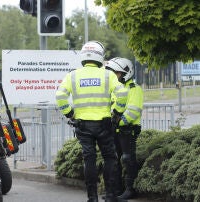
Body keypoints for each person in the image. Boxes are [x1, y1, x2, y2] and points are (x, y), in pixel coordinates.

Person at [56, 41, 128, 202]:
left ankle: (92, 197)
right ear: (100, 56)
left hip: (82, 125)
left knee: (89, 159)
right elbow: (122, 93)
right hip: (104, 124)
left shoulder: (73, 75)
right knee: (110, 158)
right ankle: (110, 196)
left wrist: (70, 114)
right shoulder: (108, 75)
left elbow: (60, 96)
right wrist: (117, 113)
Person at [105, 57, 144, 200]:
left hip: (128, 129)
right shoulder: (116, 89)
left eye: (116, 73)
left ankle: (130, 189)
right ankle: (116, 190)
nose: (114, 76)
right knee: (114, 160)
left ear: (125, 73)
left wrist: (117, 122)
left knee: (128, 159)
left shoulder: (134, 89)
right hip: (115, 130)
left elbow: (133, 111)